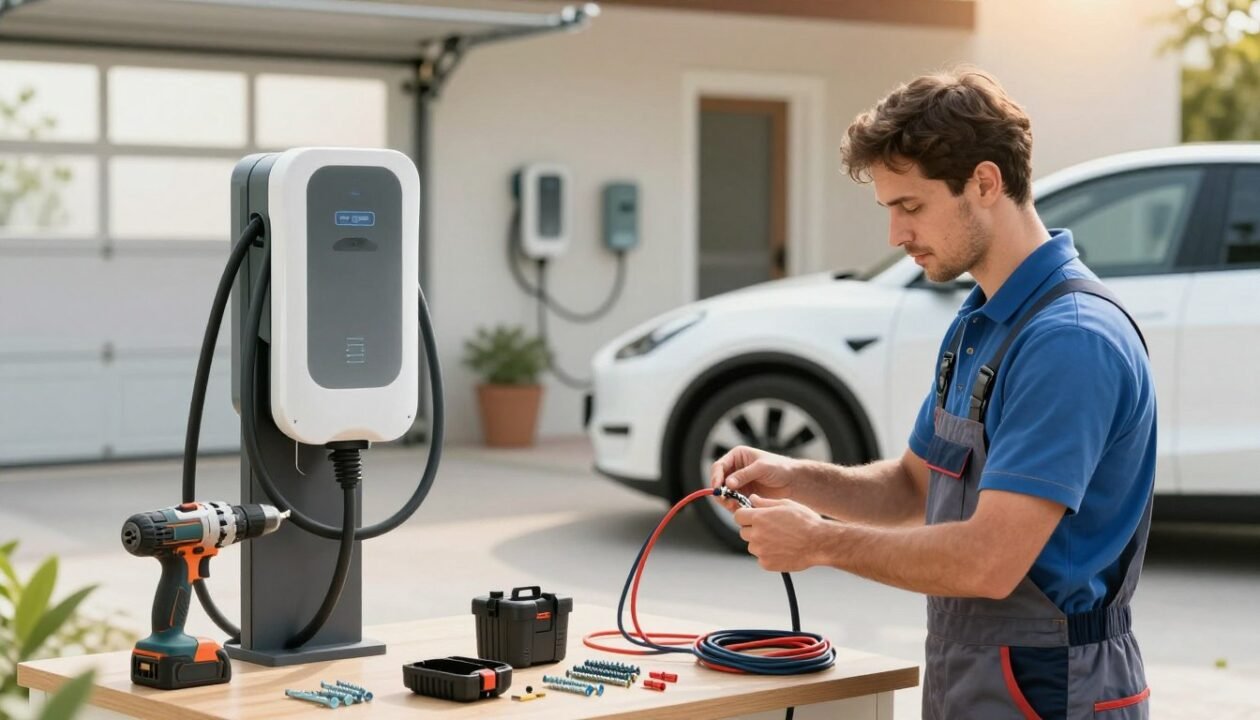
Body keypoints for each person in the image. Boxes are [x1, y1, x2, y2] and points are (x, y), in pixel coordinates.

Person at [711, 68, 1155, 719]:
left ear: (984, 183)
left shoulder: (1069, 341)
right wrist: (794, 476)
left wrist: (820, 543)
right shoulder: (982, 322)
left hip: (1055, 687)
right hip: (976, 673)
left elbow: (989, 562)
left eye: (910, 207)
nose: (895, 235)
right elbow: (914, 490)